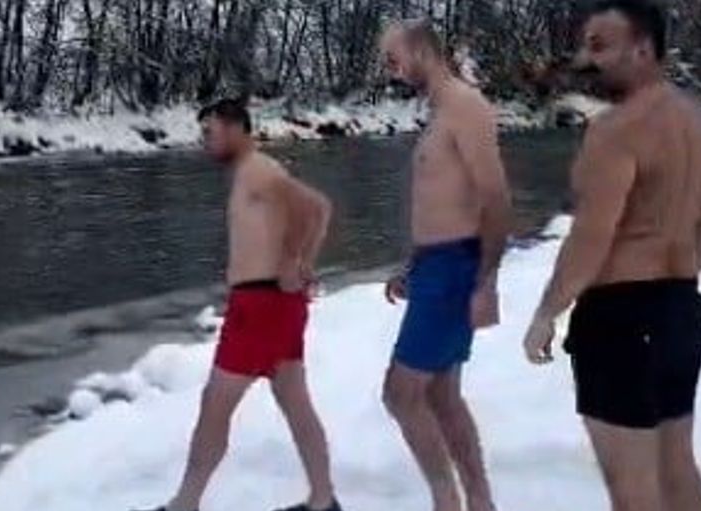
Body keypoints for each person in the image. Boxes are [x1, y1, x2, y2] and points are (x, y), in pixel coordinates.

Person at [522, 2, 701, 511]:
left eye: (599, 46)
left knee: (634, 490)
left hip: (620, 320)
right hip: (681, 310)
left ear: (642, 49)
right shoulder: (695, 119)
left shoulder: (616, 130)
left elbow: (592, 234)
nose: (586, 59)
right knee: (676, 465)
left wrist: (547, 312)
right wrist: (676, 280)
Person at [140, 99, 340, 511]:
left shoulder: (258, 170)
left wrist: (296, 261)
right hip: (273, 304)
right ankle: (323, 501)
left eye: (209, 132)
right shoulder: (252, 173)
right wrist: (296, 263)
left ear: (234, 128)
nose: (205, 141)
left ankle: (184, 505)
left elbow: (317, 208)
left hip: (262, 306)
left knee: (215, 406)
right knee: (295, 403)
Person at [379, 20, 512, 511]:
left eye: (394, 58)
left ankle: (448, 501)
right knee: (440, 395)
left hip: (455, 268)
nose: (390, 69)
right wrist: (414, 266)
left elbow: (495, 199)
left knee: (400, 394)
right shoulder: (440, 112)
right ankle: (479, 502)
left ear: (421, 51)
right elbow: (442, 201)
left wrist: (486, 282)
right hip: (436, 265)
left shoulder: (465, 107)